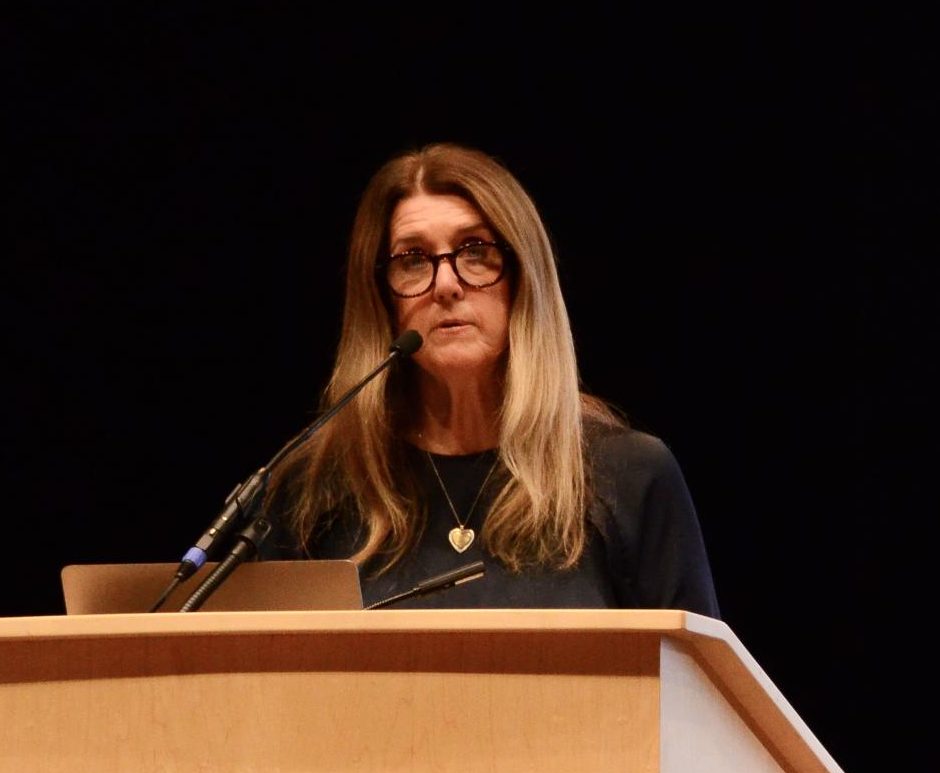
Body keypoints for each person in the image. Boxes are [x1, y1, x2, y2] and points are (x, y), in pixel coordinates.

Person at [264, 142, 720, 618]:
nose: (446, 285)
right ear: (382, 300)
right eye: (414, 259)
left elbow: (693, 685)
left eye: (475, 251)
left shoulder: (629, 476)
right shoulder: (313, 486)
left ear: (522, 278)